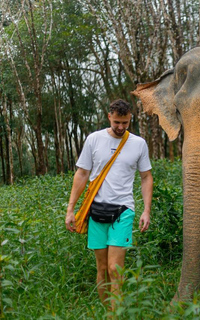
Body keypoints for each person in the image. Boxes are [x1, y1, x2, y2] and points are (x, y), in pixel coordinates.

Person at [65, 99, 153, 308]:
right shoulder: (94, 140)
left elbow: (146, 177)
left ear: (130, 118)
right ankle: (106, 310)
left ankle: (115, 313)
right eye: (117, 123)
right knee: (102, 267)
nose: (121, 127)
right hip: (96, 211)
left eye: (125, 122)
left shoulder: (139, 143)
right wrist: (71, 209)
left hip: (123, 210)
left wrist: (146, 210)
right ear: (109, 117)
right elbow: (82, 173)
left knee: (115, 268)